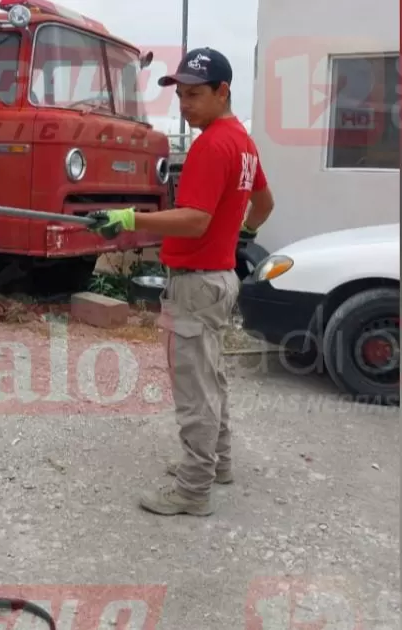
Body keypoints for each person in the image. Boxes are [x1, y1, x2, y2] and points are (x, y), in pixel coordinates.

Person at [86, 47, 275, 516]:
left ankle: (194, 490)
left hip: (196, 284)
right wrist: (238, 236)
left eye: (194, 95)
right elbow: (265, 204)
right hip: (219, 278)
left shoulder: (213, 144)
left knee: (194, 388)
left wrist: (128, 216)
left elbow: (194, 220)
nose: (184, 105)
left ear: (223, 91)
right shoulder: (243, 142)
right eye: (180, 95)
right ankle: (219, 464)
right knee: (211, 378)